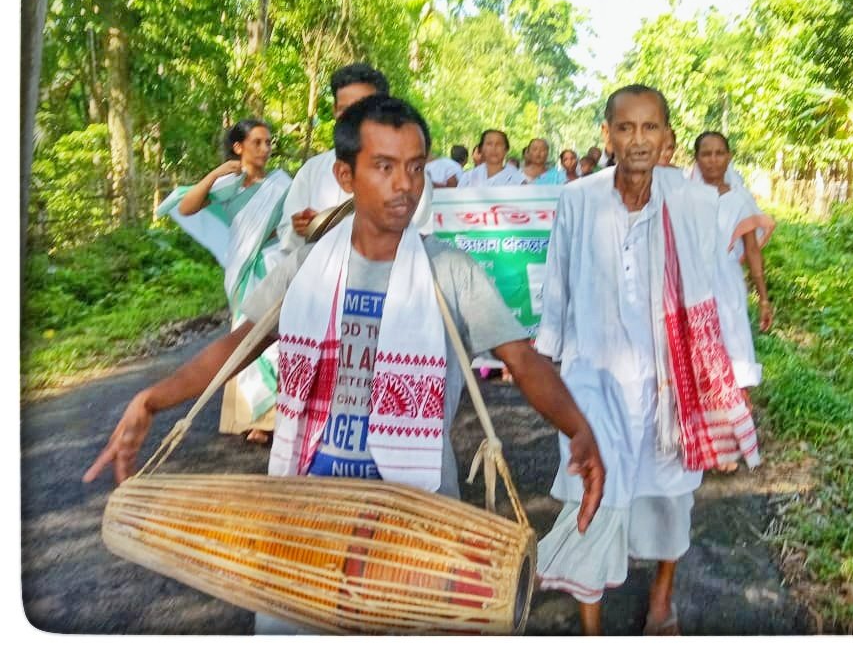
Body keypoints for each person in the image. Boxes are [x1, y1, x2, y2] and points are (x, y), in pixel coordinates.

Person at [84, 94, 605, 634]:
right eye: (384, 167)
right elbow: (238, 345)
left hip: (417, 523)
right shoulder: (307, 269)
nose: (405, 184)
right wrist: (152, 399)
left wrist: (578, 429)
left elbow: (522, 359)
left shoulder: (449, 269)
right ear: (345, 174)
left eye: (415, 167)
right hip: (304, 517)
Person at [533, 85, 760, 636]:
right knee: (590, 492)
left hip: (670, 382)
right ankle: (592, 627)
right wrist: (549, 372)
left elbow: (718, 294)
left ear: (666, 138)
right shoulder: (579, 199)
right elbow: (558, 286)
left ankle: (661, 596)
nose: (638, 140)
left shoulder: (694, 203)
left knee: (670, 498)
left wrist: (736, 381)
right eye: (626, 128)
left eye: (650, 128)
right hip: (593, 376)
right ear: (607, 135)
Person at [159, 119, 290, 444]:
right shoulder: (228, 185)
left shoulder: (282, 183)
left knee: (279, 338)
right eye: (257, 142)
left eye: (268, 142)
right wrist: (216, 174)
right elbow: (188, 207)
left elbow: (296, 221)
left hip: (277, 265)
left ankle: (283, 418)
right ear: (238, 147)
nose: (264, 148)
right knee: (247, 338)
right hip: (245, 270)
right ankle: (256, 419)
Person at [275, 63, 389, 252]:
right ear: (335, 110)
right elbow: (286, 239)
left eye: (362, 108)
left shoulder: (407, 174)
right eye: (345, 109)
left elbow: (417, 238)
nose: (352, 117)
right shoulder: (312, 171)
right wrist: (299, 229)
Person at [692, 131, 775, 387]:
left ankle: (739, 410)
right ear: (696, 159)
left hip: (728, 285)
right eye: (706, 154)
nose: (713, 160)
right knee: (696, 351)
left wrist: (763, 299)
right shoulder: (684, 197)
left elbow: (752, 250)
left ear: (729, 157)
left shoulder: (739, 199)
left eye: (719, 153)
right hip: (693, 285)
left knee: (734, 343)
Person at [457, 129, 524, 187]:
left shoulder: (518, 180)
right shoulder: (468, 178)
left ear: (506, 150)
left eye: (499, 144)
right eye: (489, 144)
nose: (494, 148)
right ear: (481, 149)